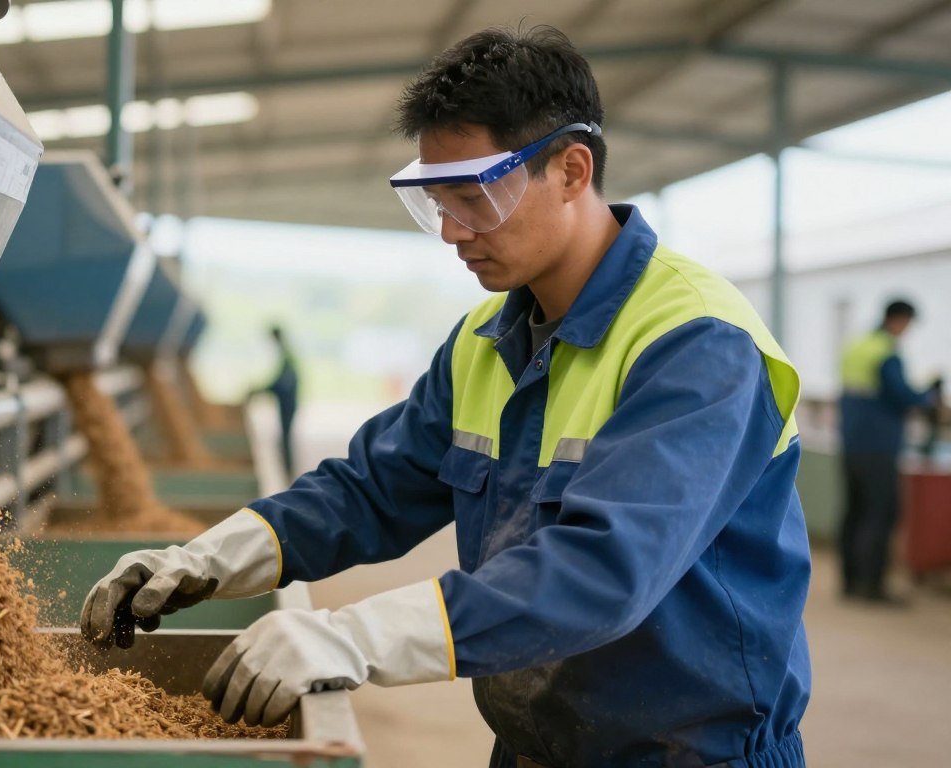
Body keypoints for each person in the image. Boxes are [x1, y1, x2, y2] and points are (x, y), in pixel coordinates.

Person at [81, 26, 810, 768]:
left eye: (475, 197)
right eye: (437, 203)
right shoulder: (486, 341)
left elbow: (602, 571)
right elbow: (371, 490)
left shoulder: (695, 343)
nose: (454, 232)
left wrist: (354, 636)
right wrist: (212, 556)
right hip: (533, 747)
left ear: (571, 169)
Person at [838, 300, 941, 603]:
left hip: (852, 442)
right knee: (880, 512)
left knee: (854, 511)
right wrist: (929, 394)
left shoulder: (857, 345)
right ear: (899, 320)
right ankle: (872, 586)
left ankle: (851, 582)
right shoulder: (886, 352)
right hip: (879, 446)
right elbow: (902, 396)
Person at [251, 325, 299, 478]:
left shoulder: (286, 354)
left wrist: (261, 390)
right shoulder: (287, 353)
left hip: (287, 404)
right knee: (284, 436)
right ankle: (287, 468)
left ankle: (288, 469)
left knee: (285, 437)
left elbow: (282, 383)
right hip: (287, 402)